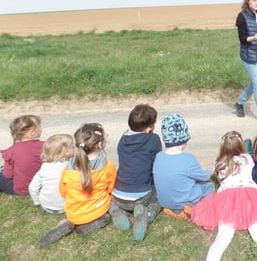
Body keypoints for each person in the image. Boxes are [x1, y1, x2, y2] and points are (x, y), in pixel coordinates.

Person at [191, 131, 257, 261]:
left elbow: (219, 179)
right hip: (250, 199)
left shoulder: (219, 163)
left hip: (227, 202)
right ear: (241, 145)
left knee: (222, 239)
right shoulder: (247, 159)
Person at [39, 123, 116, 247]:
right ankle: (94, 222)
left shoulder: (68, 167)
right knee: (106, 211)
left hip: (73, 212)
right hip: (98, 208)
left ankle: (65, 223)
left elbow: (63, 191)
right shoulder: (108, 166)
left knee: (72, 212)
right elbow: (110, 188)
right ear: (100, 145)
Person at [109, 104, 162, 241]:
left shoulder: (123, 139)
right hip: (141, 197)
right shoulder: (153, 139)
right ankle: (147, 213)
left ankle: (117, 209)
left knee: (121, 198)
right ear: (149, 127)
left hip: (118, 195)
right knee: (161, 198)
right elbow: (157, 165)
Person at [153, 113, 214, 220]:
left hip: (164, 202)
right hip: (183, 201)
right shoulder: (188, 159)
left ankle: (174, 211)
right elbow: (204, 177)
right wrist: (211, 171)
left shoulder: (159, 157)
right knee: (209, 186)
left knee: (185, 181)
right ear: (184, 138)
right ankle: (192, 206)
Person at [29, 134, 74, 214]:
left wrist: (37, 201)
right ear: (64, 152)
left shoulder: (44, 167)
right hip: (67, 206)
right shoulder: (70, 166)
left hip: (46, 206)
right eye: (72, 147)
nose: (75, 149)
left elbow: (33, 187)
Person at [0, 114, 44, 196]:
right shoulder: (45, 146)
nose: (41, 128)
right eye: (39, 126)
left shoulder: (11, 151)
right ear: (32, 132)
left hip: (23, 189)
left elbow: (8, 175)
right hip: (42, 186)